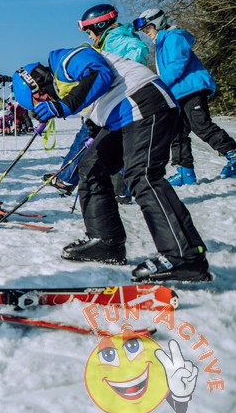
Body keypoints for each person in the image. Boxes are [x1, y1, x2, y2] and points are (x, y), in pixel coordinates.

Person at [13, 44, 211, 283]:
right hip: (122, 117)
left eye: (39, 98)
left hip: (145, 101)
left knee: (142, 175)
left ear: (37, 81)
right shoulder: (66, 84)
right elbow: (94, 99)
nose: (45, 100)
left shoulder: (64, 59)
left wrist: (63, 106)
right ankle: (106, 242)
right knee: (91, 169)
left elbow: (100, 73)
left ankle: (185, 256)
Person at [46, 4, 150, 196]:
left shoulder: (119, 41)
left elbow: (136, 53)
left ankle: (67, 179)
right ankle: (121, 188)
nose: (89, 37)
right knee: (113, 142)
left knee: (88, 136)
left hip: (121, 99)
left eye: (89, 32)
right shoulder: (108, 41)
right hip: (118, 101)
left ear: (99, 26)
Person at [134, 8, 236, 184]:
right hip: (177, 93)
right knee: (177, 132)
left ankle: (233, 153)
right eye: (143, 30)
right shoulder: (161, 42)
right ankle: (185, 171)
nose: (146, 32)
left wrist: (158, 84)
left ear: (158, 23)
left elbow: (177, 65)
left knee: (201, 125)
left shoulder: (174, 37)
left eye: (147, 28)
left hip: (191, 89)